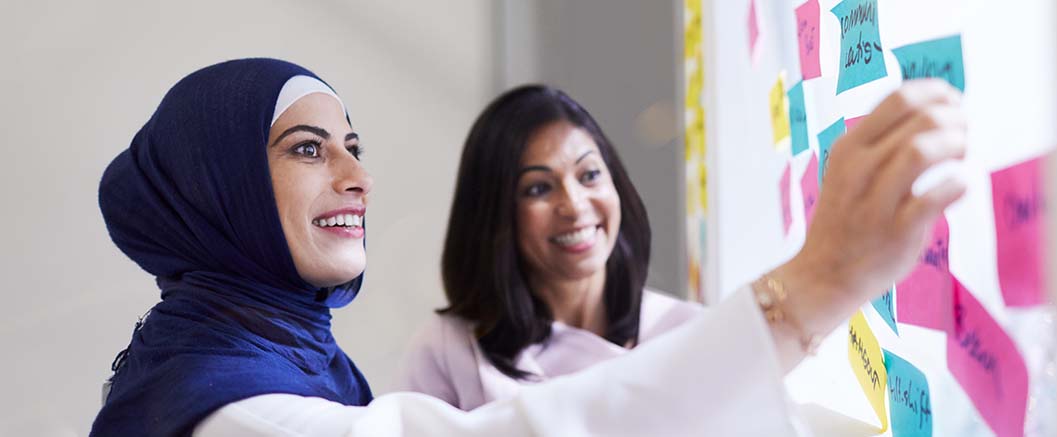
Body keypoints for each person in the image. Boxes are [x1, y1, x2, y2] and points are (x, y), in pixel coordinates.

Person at [91, 58, 966, 436]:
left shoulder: (280, 358)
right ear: (219, 189)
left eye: (355, 145)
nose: (356, 176)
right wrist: (815, 283)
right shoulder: (226, 405)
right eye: (308, 148)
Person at [395, 86, 701, 410]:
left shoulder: (686, 333)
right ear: (494, 212)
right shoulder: (448, 349)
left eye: (590, 175)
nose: (574, 205)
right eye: (538, 188)